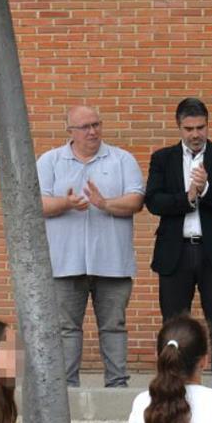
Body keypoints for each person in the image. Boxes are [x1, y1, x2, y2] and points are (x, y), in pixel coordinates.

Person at [37, 105, 145, 388]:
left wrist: (104, 203)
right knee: (66, 329)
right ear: (70, 131)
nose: (93, 131)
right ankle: (66, 389)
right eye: (85, 127)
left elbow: (136, 201)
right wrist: (66, 203)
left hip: (112, 262)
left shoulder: (122, 159)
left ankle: (117, 386)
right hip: (65, 263)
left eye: (96, 124)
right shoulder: (50, 161)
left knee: (114, 327)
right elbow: (37, 204)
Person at [145, 98, 212, 394]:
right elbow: (154, 201)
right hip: (175, 253)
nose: (195, 134)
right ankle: (174, 392)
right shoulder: (162, 158)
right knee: (174, 327)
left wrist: (207, 188)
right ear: (179, 127)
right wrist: (188, 197)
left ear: (207, 125)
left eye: (200, 127)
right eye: (189, 129)